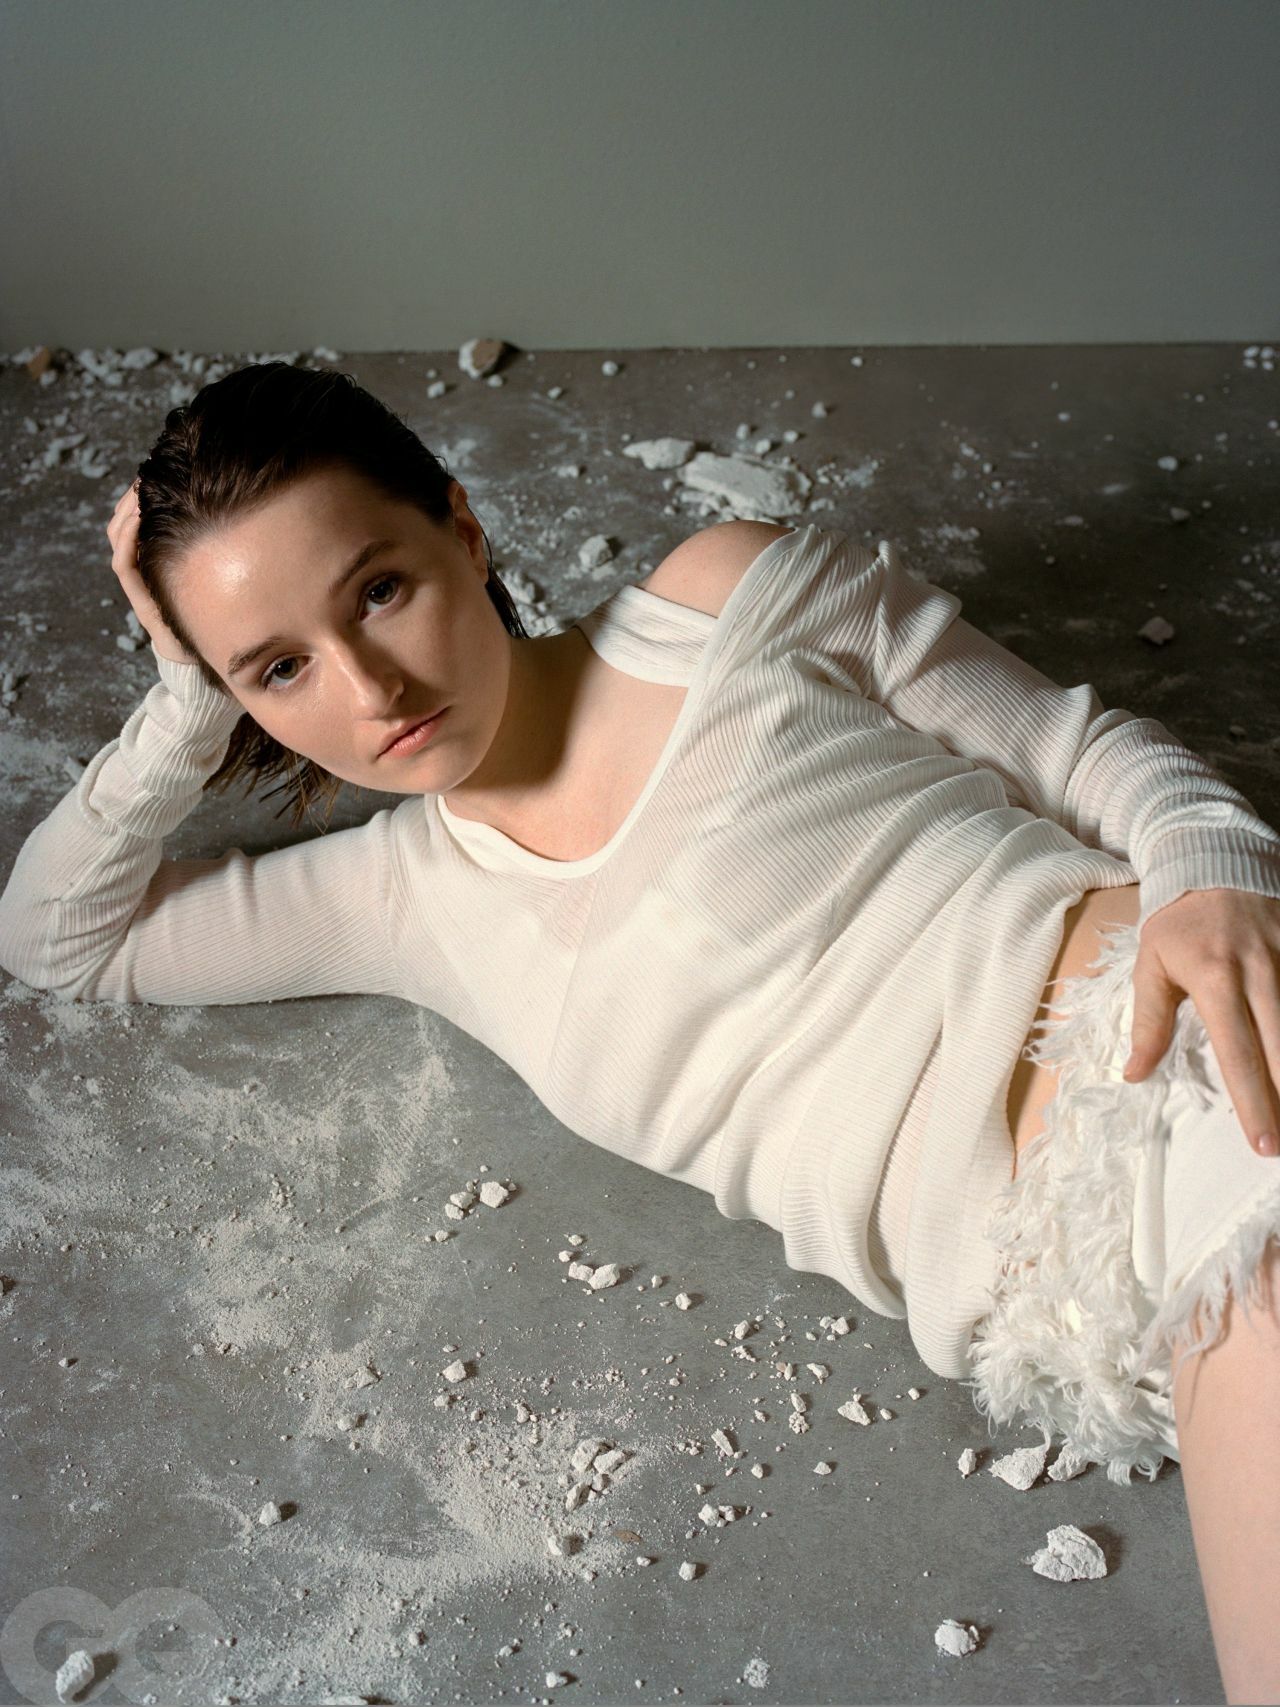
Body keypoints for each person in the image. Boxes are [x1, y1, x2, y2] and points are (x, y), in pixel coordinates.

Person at [1, 362, 1278, 1700]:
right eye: (279, 668)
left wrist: (1214, 871)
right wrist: (184, 706)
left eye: (377, 591)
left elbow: (1083, 755)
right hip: (1069, 1311)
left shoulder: (724, 601)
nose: (369, 687)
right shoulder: (392, 900)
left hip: (1192, 1065)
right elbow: (57, 936)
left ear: (461, 529)